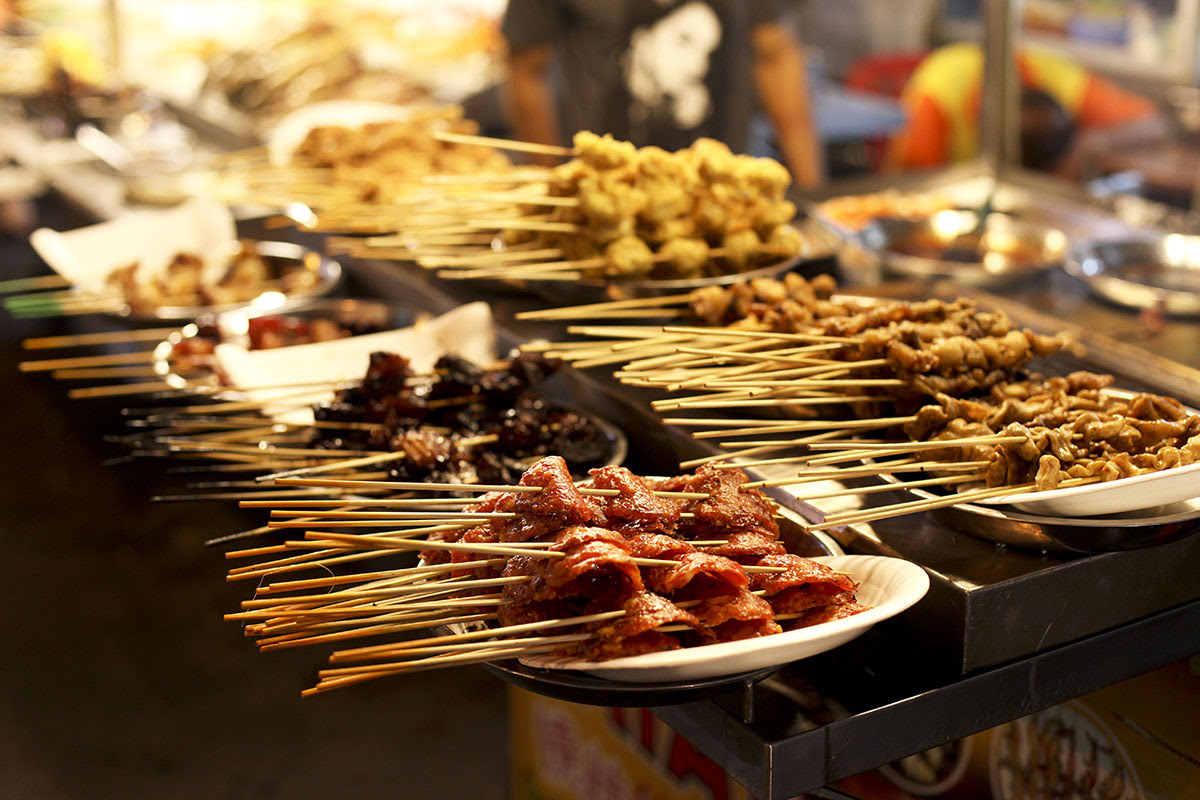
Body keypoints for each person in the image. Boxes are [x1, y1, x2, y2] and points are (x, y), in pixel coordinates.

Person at [500, 0, 824, 188]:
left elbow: (775, 51)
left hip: (725, 191)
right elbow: (527, 70)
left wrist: (815, 195)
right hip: (608, 193)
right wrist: (555, 185)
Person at [886, 41, 1169, 177]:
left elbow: (1157, 124)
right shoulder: (937, 97)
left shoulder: (1051, 76)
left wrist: (1090, 143)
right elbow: (906, 188)